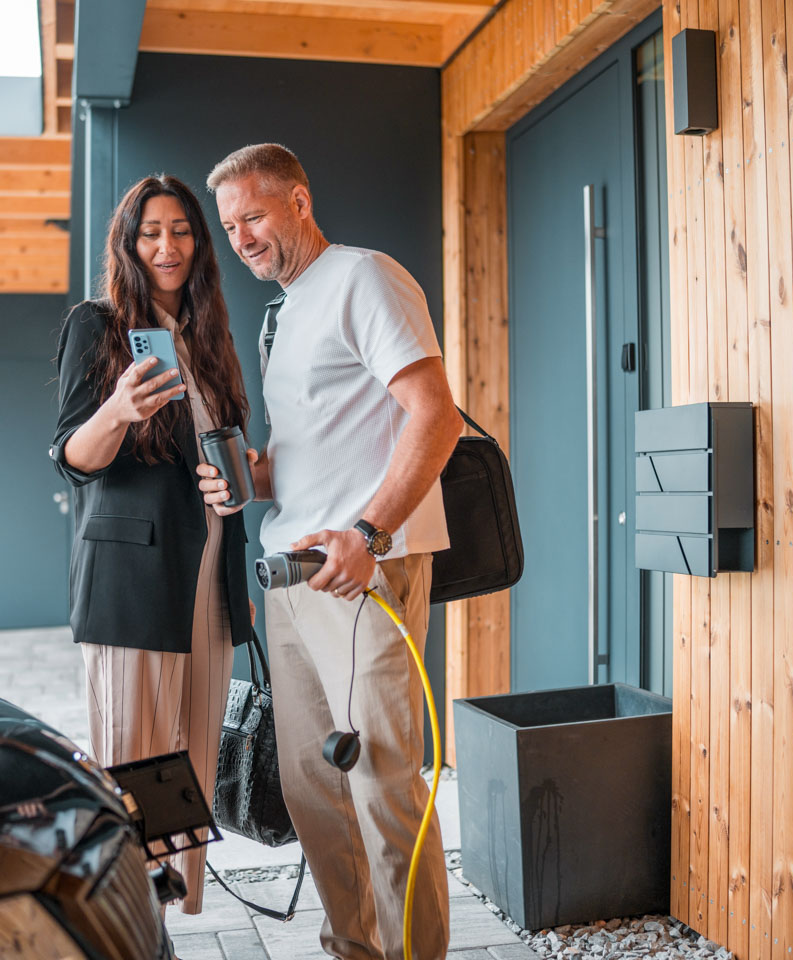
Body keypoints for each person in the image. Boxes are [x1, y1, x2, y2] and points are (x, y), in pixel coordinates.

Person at [199, 144, 464, 959]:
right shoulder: (284, 311)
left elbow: (435, 416)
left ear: (299, 202)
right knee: (313, 788)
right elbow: (314, 447)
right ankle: (354, 948)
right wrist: (252, 474)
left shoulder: (364, 277)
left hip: (361, 575)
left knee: (381, 781)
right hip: (291, 576)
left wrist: (371, 533)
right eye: (230, 224)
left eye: (254, 215)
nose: (241, 236)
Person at [49, 173, 255, 914]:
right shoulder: (96, 325)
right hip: (133, 580)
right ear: (129, 244)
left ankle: (167, 904)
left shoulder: (209, 338)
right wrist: (117, 409)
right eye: (151, 232)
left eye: (180, 231)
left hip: (209, 576)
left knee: (189, 757)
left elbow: (229, 451)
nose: (167, 246)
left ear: (198, 244)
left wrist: (237, 480)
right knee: (139, 759)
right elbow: (72, 457)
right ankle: (133, 909)